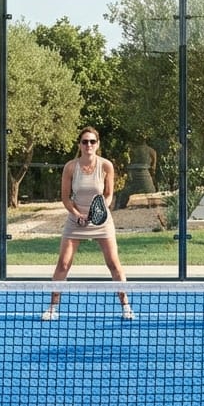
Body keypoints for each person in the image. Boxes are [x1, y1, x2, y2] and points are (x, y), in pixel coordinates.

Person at [41, 126, 133, 321]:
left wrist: (99, 211)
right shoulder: (70, 167)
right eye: (85, 141)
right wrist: (77, 214)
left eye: (92, 141)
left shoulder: (106, 165)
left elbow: (108, 195)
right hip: (75, 221)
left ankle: (126, 306)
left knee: (114, 264)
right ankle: (52, 307)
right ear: (79, 145)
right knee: (63, 264)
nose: (88, 145)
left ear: (97, 144)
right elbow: (66, 199)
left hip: (101, 221)